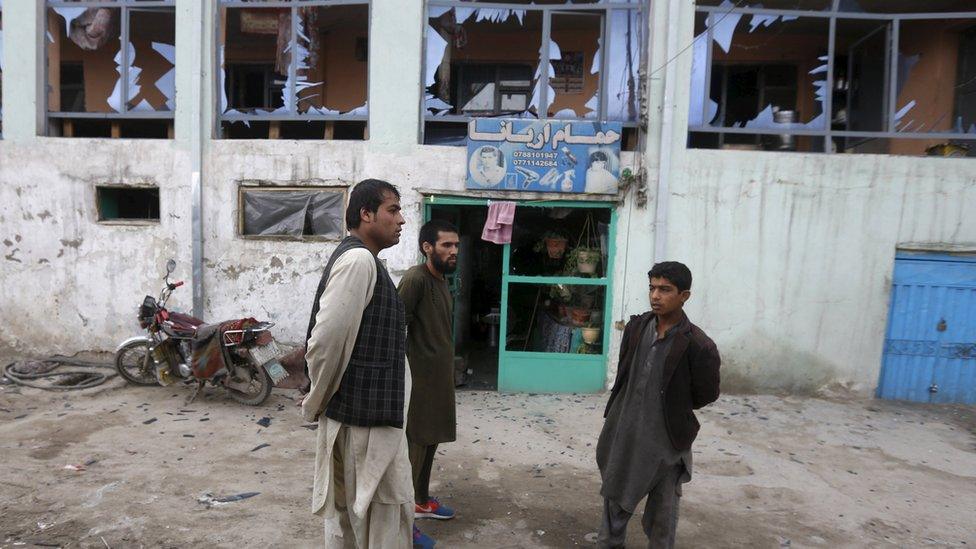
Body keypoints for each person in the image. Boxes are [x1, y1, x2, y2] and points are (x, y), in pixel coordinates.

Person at [302, 179, 433, 549]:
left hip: (371, 418)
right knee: (376, 520)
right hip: (363, 423)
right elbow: (326, 341)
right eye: (393, 210)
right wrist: (317, 400)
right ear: (365, 214)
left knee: (365, 520)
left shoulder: (366, 261)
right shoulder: (359, 261)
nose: (402, 220)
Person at [595, 261, 721, 548]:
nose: (655, 296)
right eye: (652, 288)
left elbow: (705, 395)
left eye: (665, 290)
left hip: (668, 440)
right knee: (615, 499)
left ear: (684, 295)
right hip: (625, 430)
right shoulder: (637, 328)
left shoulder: (699, 346)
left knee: (662, 517)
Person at [397, 220, 461, 524]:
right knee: (418, 442)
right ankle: (402, 517)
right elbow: (396, 325)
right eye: (446, 245)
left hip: (439, 377)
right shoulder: (416, 279)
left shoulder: (441, 280)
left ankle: (420, 501)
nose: (453, 251)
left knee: (432, 438)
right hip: (419, 376)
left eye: (456, 246)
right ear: (427, 247)